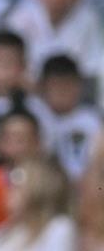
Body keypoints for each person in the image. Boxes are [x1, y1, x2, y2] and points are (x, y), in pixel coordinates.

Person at [7, 0, 104, 84]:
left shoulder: (88, 19)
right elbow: (10, 65)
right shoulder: (20, 17)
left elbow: (93, 68)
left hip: (72, 89)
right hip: (28, 89)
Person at [30, 54, 101, 183]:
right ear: (42, 87)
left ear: (79, 86)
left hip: (83, 185)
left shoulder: (92, 121)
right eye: (56, 85)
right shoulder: (33, 113)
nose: (62, 92)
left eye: (68, 85)